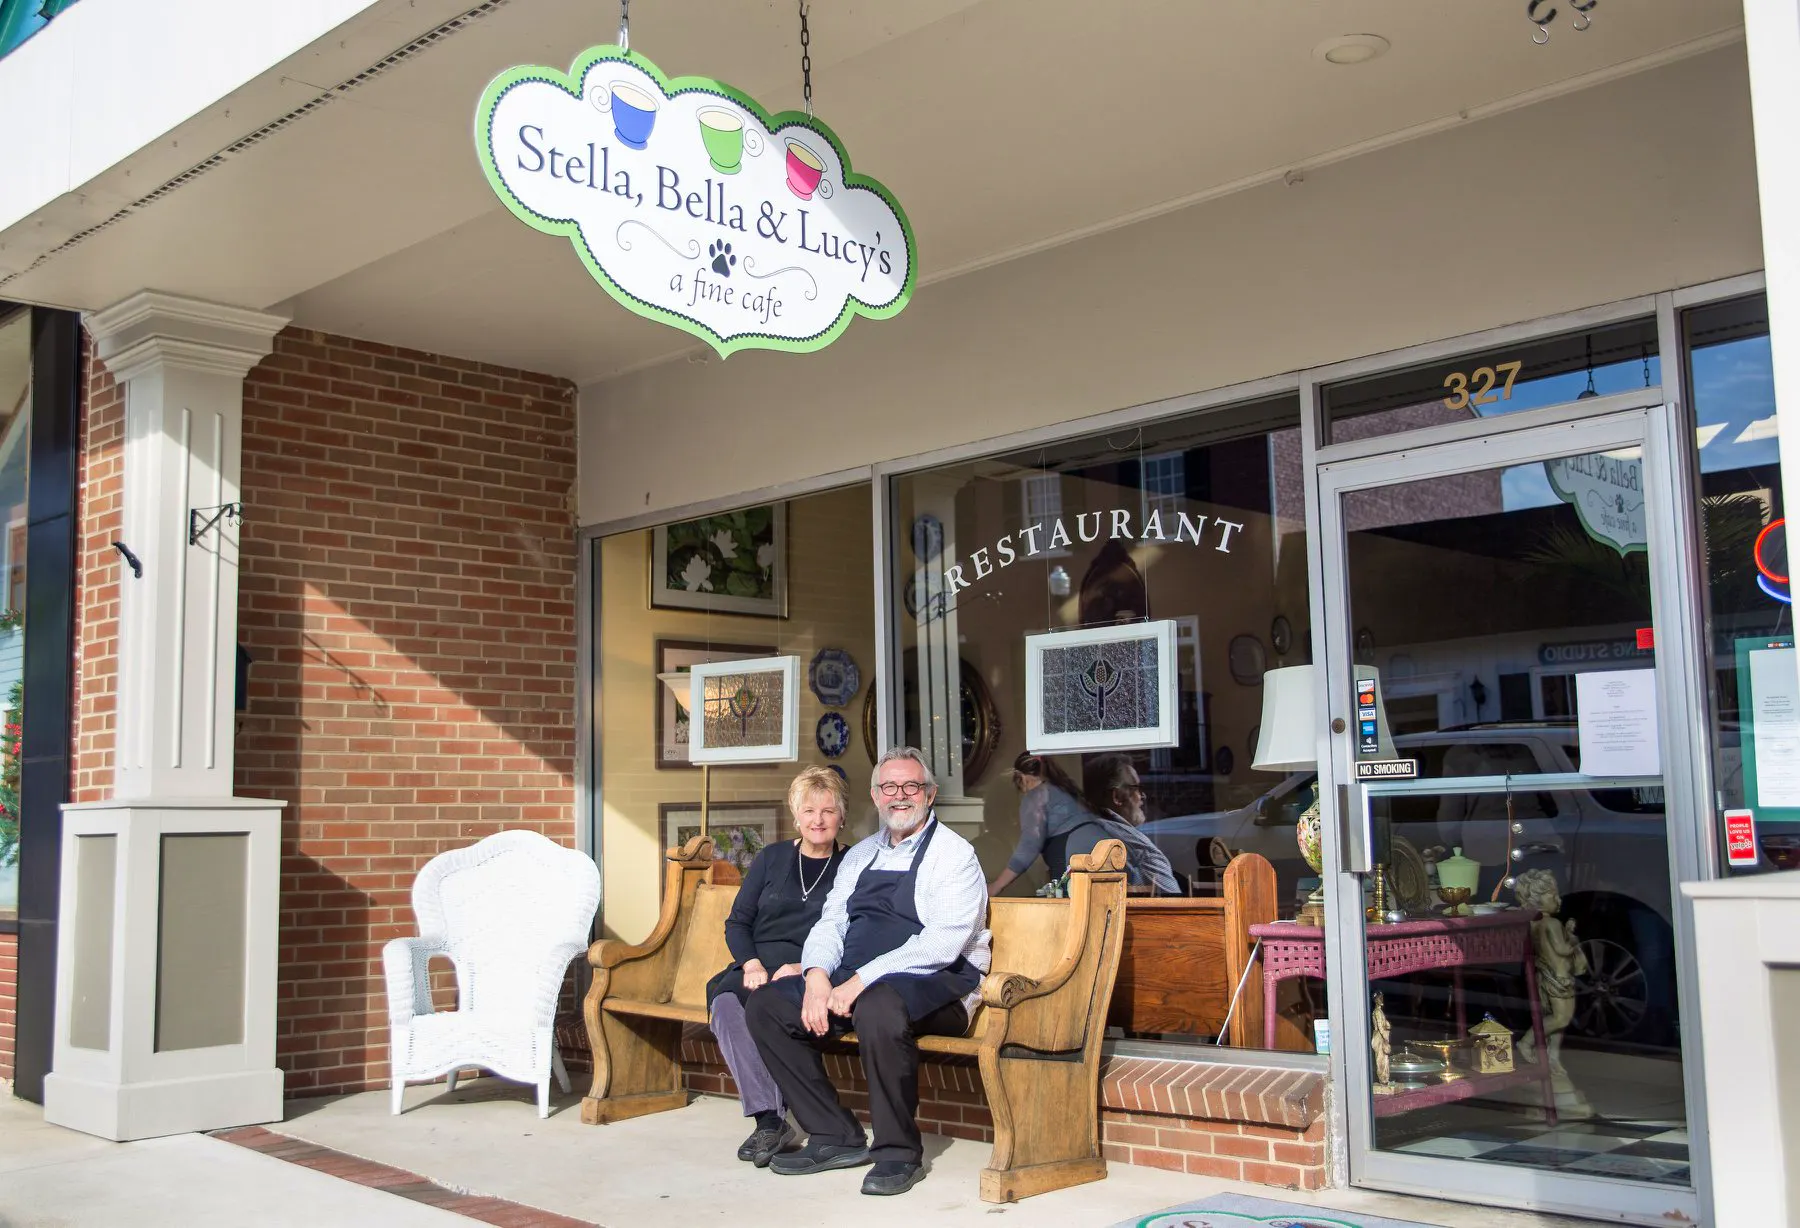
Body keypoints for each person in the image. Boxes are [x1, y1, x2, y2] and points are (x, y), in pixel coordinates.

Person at [746, 746, 990, 1197]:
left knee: (878, 1007)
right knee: (767, 1005)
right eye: (889, 787)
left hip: (939, 982)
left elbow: (941, 944)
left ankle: (898, 1153)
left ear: (930, 794)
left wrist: (860, 980)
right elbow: (831, 923)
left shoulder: (954, 855)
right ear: (876, 796)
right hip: (856, 979)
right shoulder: (860, 856)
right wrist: (817, 976)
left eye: (911, 786)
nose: (900, 795)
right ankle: (834, 1134)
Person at [705, 766, 848, 1167]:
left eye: (828, 810)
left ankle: (776, 1121)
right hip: (757, 966)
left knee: (765, 1007)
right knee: (726, 1004)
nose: (818, 820)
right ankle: (769, 1119)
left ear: (842, 816)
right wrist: (751, 964)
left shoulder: (851, 864)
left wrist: (804, 966)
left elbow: (853, 934)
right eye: (809, 811)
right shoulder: (772, 858)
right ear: (796, 815)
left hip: (813, 971)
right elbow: (738, 922)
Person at [987, 752, 1098, 896]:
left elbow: (1029, 846)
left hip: (1071, 856)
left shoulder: (1036, 797)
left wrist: (997, 885)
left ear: (1022, 778)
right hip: (1099, 850)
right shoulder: (1064, 789)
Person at [1081, 754, 1182, 896]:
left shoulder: (1079, 832)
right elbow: (1174, 902)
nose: (1142, 796)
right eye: (1136, 788)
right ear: (1117, 796)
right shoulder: (1139, 850)